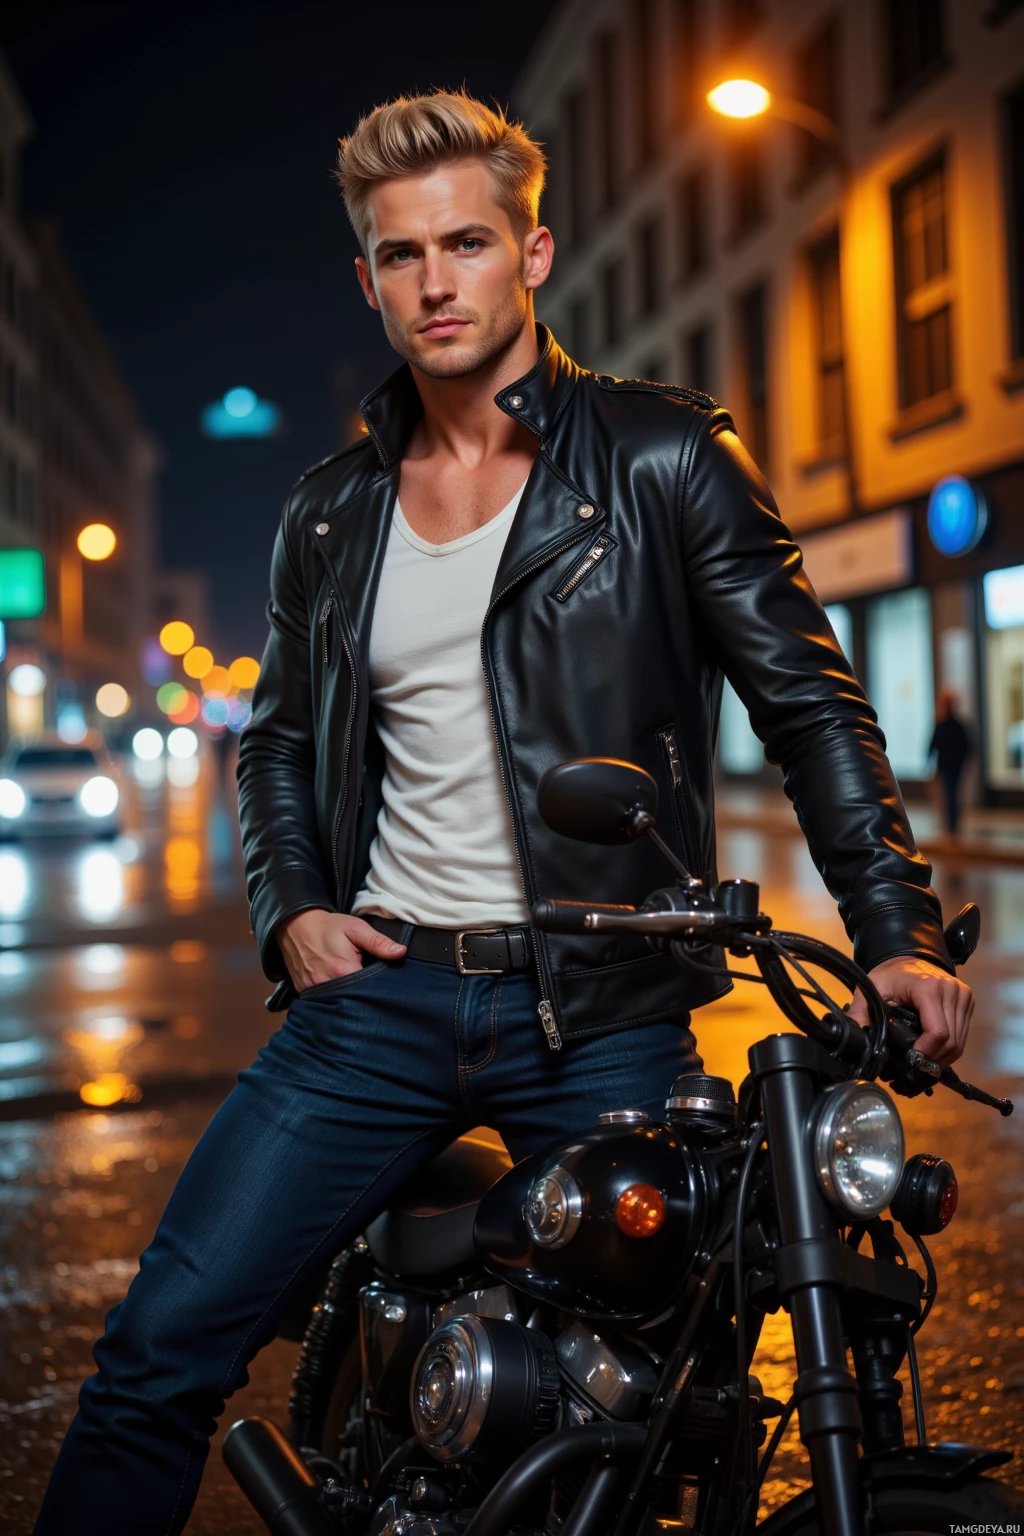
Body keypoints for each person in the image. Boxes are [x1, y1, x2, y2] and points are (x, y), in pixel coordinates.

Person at [34, 90, 975, 1534]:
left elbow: (810, 707)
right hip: (385, 1002)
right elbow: (275, 743)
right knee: (156, 1359)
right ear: (369, 279)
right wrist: (292, 913)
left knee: (656, 1414)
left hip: (603, 1005)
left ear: (531, 255)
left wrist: (898, 932)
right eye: (401, 254)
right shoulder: (332, 515)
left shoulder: (661, 460)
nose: (435, 280)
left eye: (465, 243)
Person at [929, 688, 974, 835]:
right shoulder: (952, 725)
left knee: (951, 793)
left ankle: (952, 824)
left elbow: (933, 744)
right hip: (951, 765)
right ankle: (951, 824)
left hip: (950, 765)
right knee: (951, 793)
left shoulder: (948, 725)